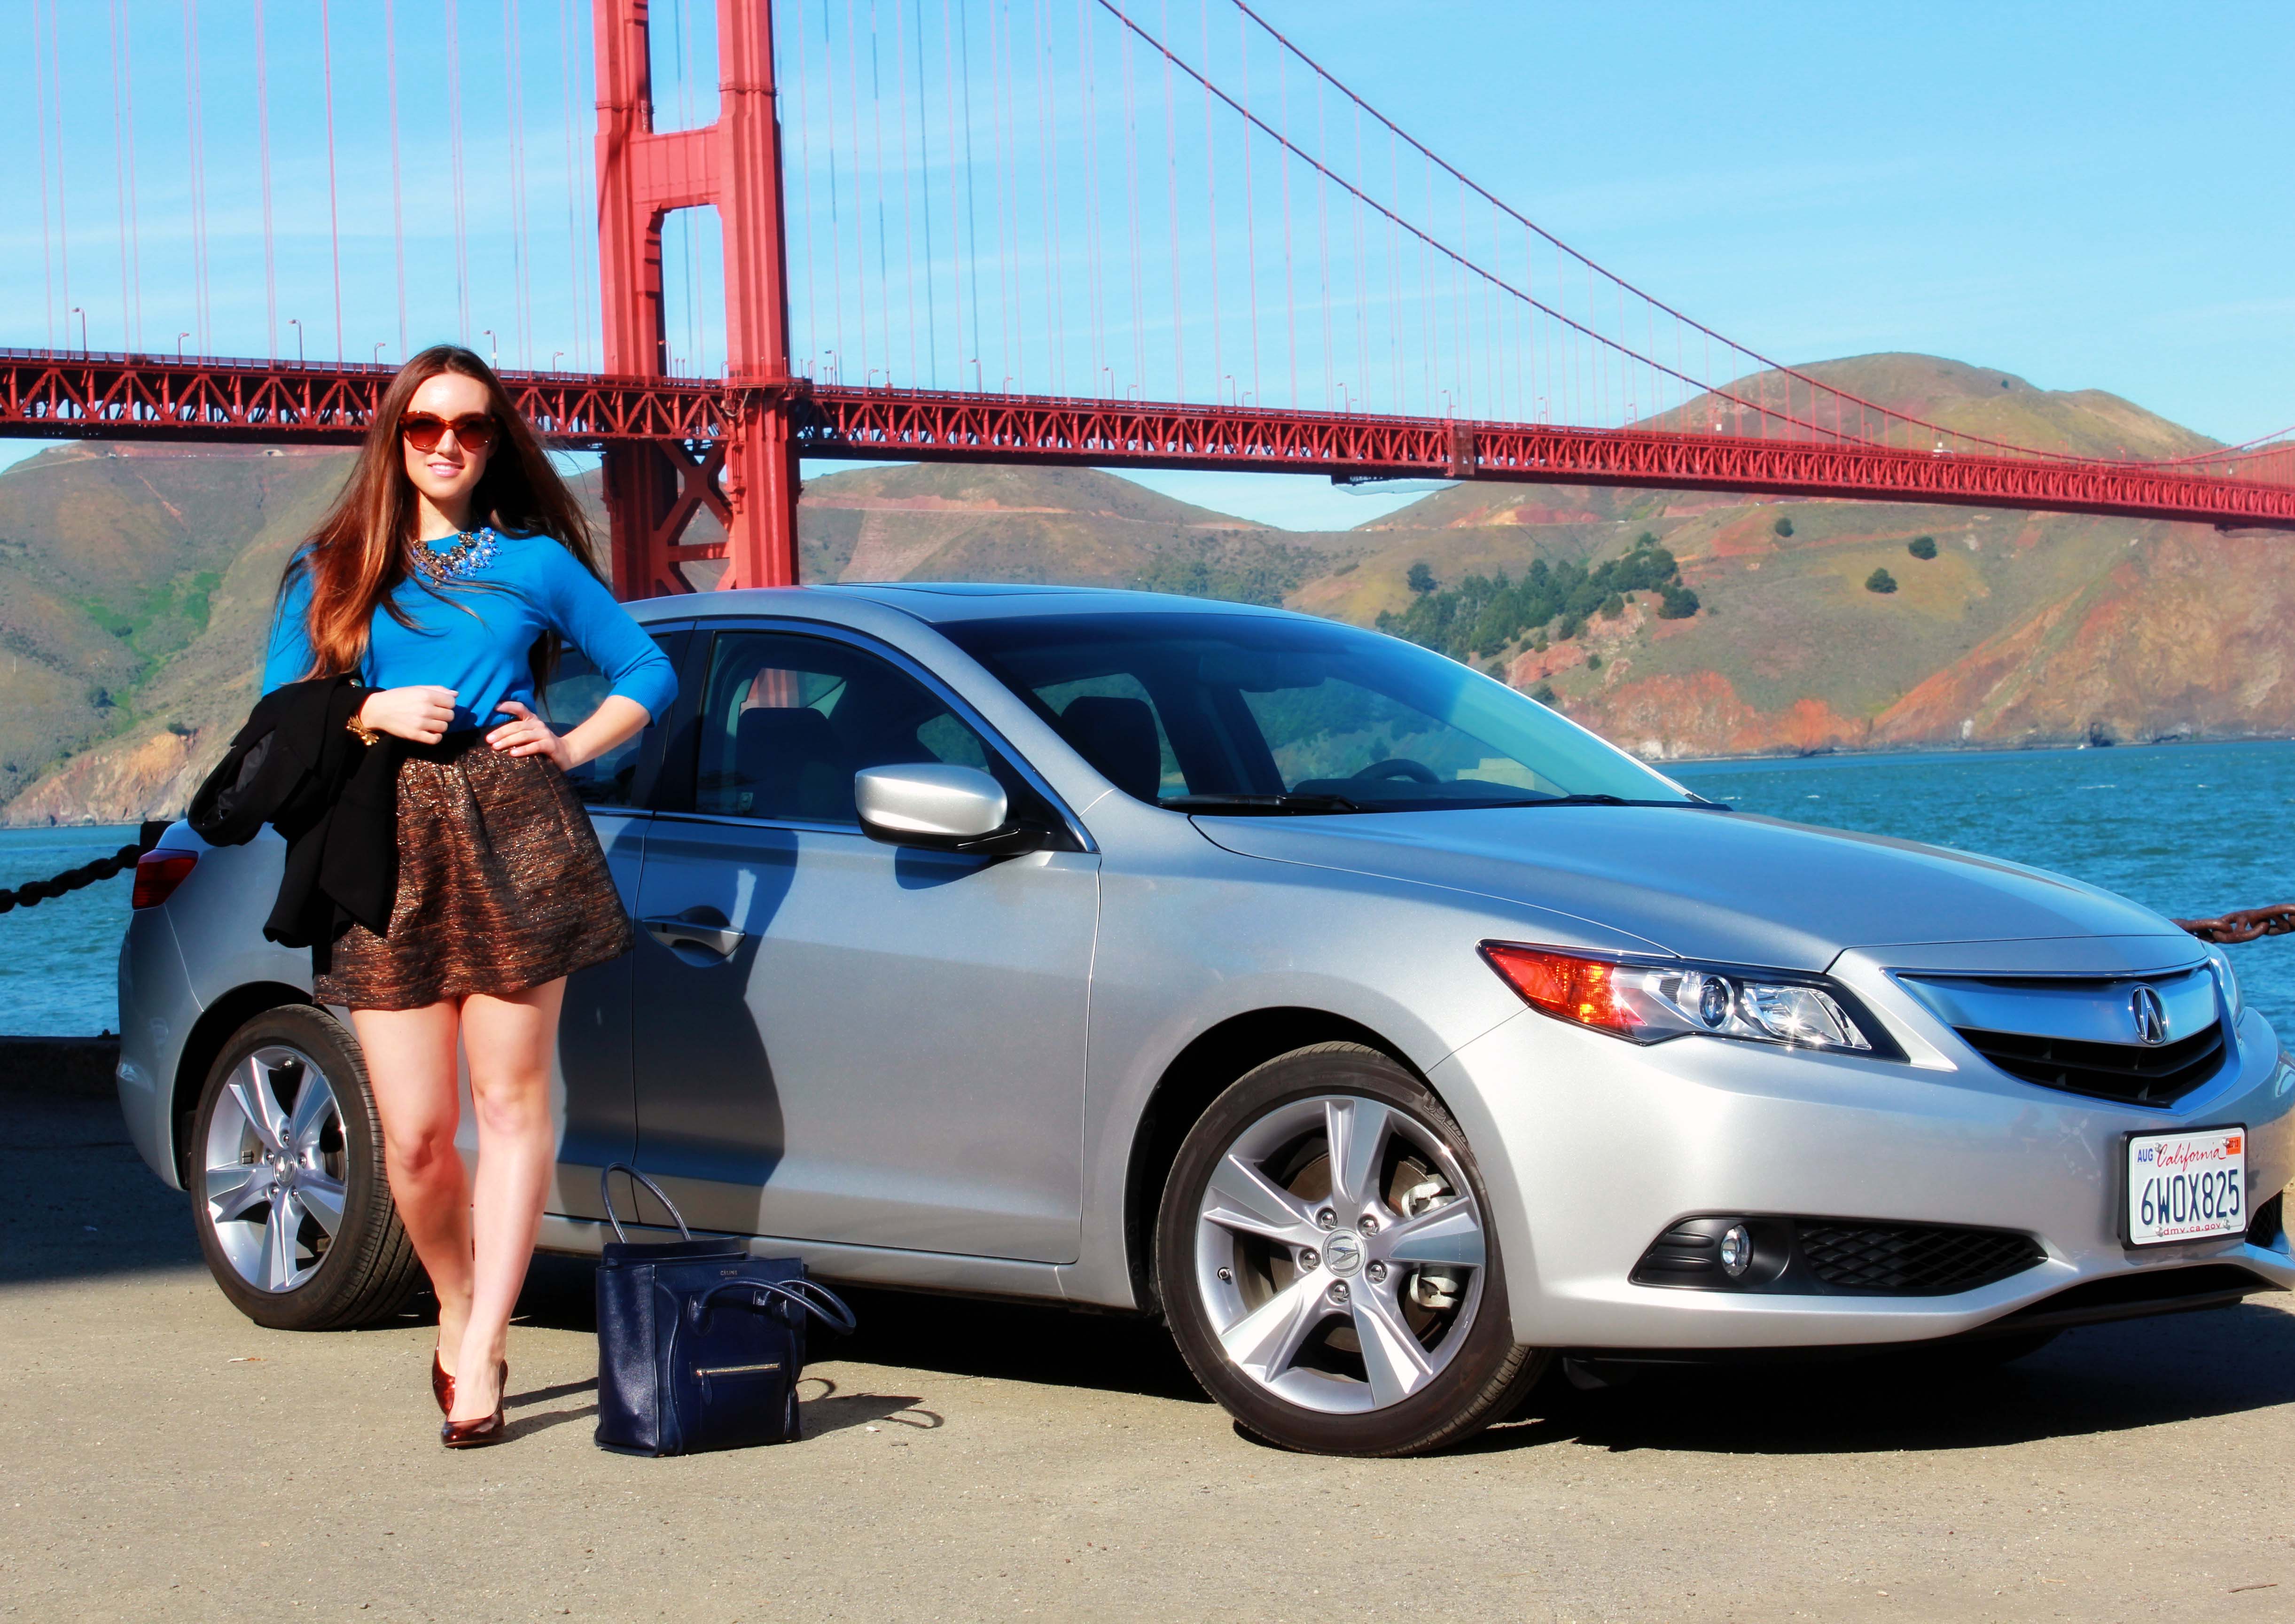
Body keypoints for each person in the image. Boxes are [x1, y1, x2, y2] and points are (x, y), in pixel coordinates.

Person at [262, 344, 676, 1448]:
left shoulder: (535, 562)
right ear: (395, 434)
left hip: (516, 828)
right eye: (426, 424)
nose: (448, 444)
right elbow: (276, 713)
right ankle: (454, 1299)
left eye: (472, 426)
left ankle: (484, 1340)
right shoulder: (330, 565)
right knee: (413, 1138)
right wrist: (369, 713)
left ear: (496, 444)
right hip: (380, 840)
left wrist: (573, 744)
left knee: (511, 1104)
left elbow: (648, 669)